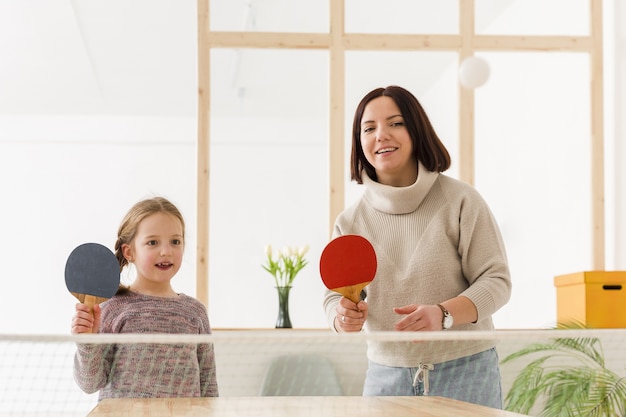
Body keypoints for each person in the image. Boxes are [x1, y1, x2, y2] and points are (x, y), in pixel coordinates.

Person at [322, 85, 511, 408]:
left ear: (417, 131)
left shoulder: (462, 201)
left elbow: (497, 282)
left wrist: (444, 314)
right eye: (369, 128)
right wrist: (342, 317)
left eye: (395, 123)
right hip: (386, 377)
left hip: (467, 370)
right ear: (359, 142)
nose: (381, 135)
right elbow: (333, 297)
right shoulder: (350, 221)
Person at [71, 196, 219, 400]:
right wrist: (87, 342)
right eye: (152, 242)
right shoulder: (112, 309)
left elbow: (209, 387)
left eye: (175, 241)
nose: (166, 251)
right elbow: (90, 384)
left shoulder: (195, 312)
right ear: (129, 251)